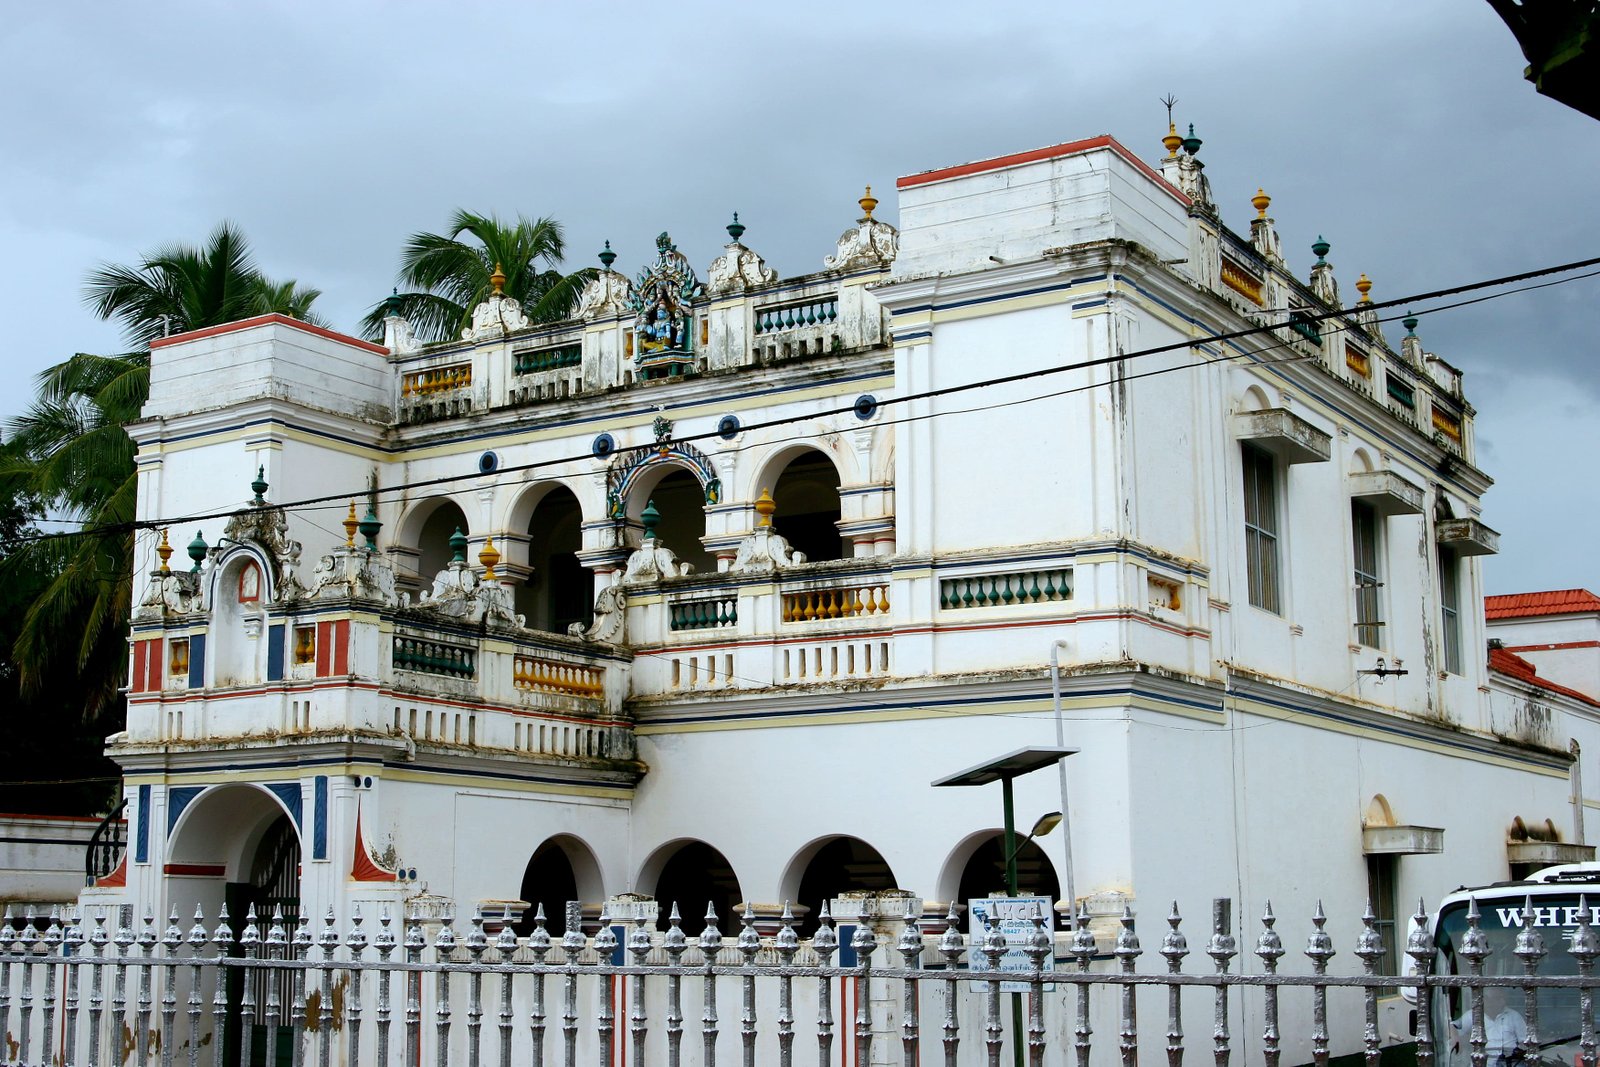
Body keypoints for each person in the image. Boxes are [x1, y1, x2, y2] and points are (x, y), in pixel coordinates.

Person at [1453, 985, 1529, 1066]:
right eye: (1497, 998)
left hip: (1508, 1062)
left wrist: (1517, 1053)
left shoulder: (1513, 1016)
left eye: (1502, 998)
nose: (1502, 1001)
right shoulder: (1474, 1014)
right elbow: (1453, 1025)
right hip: (1482, 1063)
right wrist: (1455, 1037)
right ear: (1486, 999)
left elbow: (1525, 1041)